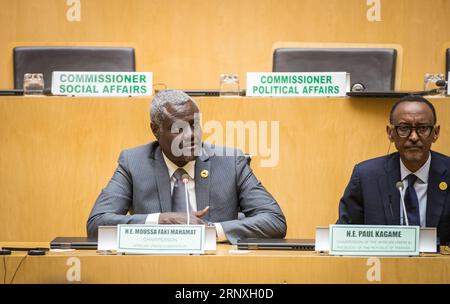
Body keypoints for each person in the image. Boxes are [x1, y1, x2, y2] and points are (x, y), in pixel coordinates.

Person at [87, 90, 286, 243]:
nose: (191, 135)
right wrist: (162, 221)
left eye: (195, 125)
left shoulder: (231, 161)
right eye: (179, 128)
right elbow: (97, 224)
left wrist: (210, 232)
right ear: (155, 130)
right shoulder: (134, 162)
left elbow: (274, 221)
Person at [337, 95, 450, 244]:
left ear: (435, 133)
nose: (414, 137)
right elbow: (344, 237)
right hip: (383, 266)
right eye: (404, 128)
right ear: (390, 133)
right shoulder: (366, 177)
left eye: (423, 128)